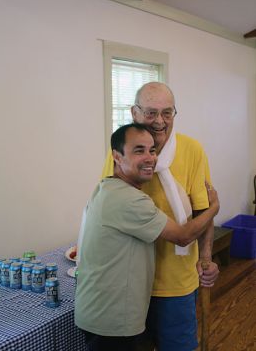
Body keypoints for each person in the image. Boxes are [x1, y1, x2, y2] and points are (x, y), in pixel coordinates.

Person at [75, 123, 219, 351]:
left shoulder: (107, 188)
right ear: (116, 157)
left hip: (101, 311)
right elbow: (183, 236)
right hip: (111, 319)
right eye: (138, 150)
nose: (150, 158)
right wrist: (214, 208)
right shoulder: (129, 200)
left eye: (152, 150)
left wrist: (206, 256)